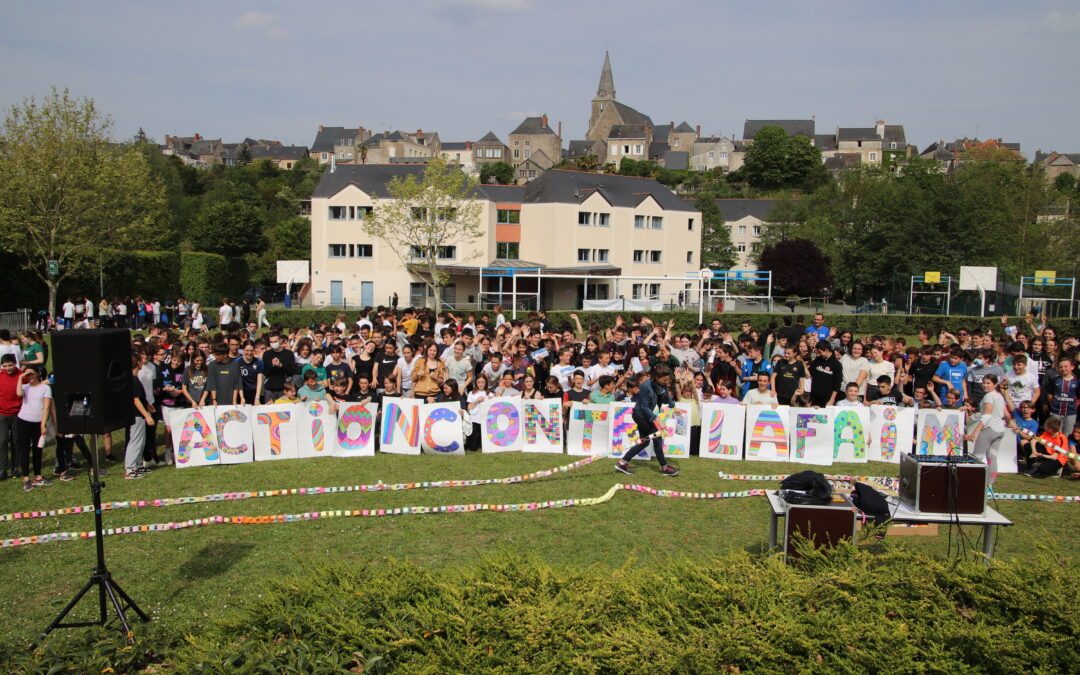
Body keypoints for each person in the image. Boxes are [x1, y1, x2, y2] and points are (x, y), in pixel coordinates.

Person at [614, 365, 679, 476]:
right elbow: (644, 407)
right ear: (656, 377)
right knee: (657, 439)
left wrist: (673, 406)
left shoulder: (662, 384)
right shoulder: (646, 387)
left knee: (644, 442)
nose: (666, 382)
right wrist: (657, 420)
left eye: (667, 379)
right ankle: (664, 467)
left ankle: (622, 463)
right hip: (640, 415)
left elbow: (665, 394)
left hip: (646, 416)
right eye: (664, 380)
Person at [965, 374, 1008, 483]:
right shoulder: (999, 396)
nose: (985, 385)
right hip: (1000, 430)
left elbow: (987, 415)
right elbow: (1005, 413)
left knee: (976, 457)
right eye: (983, 382)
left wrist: (975, 432)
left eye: (988, 383)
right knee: (992, 458)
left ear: (995, 384)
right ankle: (989, 486)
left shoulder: (989, 396)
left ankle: (972, 483)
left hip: (990, 429)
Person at [125, 354, 155, 480]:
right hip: (136, 415)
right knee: (135, 441)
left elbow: (140, 398)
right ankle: (130, 469)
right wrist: (147, 416)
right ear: (137, 362)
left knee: (140, 441)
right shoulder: (133, 379)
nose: (144, 361)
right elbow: (136, 400)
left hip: (139, 415)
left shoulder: (135, 379)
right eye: (141, 360)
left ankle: (137, 465)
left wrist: (148, 405)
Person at [0, 354, 21, 480]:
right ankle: (3, 469)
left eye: (10, 365)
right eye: (5, 366)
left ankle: (15, 467)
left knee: (16, 441)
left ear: (15, 364)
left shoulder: (21, 375)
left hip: (17, 414)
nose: (8, 368)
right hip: (2, 413)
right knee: (2, 441)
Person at [1046, 356, 1077, 436]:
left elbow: (1078, 398)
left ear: (1072, 367)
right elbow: (1050, 395)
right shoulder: (1054, 380)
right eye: (1061, 367)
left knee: (1068, 434)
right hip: (1056, 412)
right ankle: (1054, 448)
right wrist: (1054, 405)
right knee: (1054, 433)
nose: (1063, 369)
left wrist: (1073, 406)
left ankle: (1065, 448)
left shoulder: (1077, 382)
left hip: (1071, 413)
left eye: (1066, 366)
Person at [808, 342, 843, 407]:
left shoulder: (837, 364)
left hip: (827, 398)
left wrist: (832, 399)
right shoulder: (817, 360)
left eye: (820, 352)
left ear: (826, 350)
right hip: (814, 396)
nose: (818, 354)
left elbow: (837, 384)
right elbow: (809, 373)